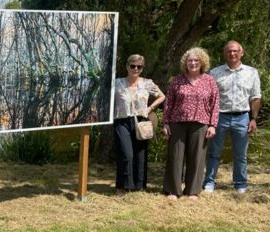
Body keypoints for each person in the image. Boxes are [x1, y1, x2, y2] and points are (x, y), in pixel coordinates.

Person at [203, 41, 262, 194]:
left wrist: (253, 119)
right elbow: (209, 98)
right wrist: (209, 121)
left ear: (242, 53)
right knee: (214, 152)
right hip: (219, 117)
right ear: (225, 54)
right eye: (229, 51)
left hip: (242, 117)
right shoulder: (215, 73)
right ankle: (209, 182)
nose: (232, 53)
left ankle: (240, 184)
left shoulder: (251, 72)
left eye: (235, 51)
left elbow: (255, 97)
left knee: (241, 154)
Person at [162, 48, 219, 200]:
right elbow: (169, 102)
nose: (193, 63)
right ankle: (173, 190)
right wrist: (166, 123)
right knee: (175, 156)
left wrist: (212, 125)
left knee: (197, 158)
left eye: (196, 60)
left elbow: (215, 104)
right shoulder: (177, 80)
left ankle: (193, 191)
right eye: (190, 61)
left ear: (202, 62)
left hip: (200, 124)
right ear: (185, 63)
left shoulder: (209, 81)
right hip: (177, 122)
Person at [112, 54, 165, 195]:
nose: (136, 69)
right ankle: (123, 186)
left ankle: (139, 186)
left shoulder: (147, 83)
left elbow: (162, 96)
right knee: (126, 154)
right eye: (133, 66)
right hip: (122, 121)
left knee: (140, 155)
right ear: (127, 66)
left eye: (139, 66)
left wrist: (150, 108)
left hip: (141, 121)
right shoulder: (116, 83)